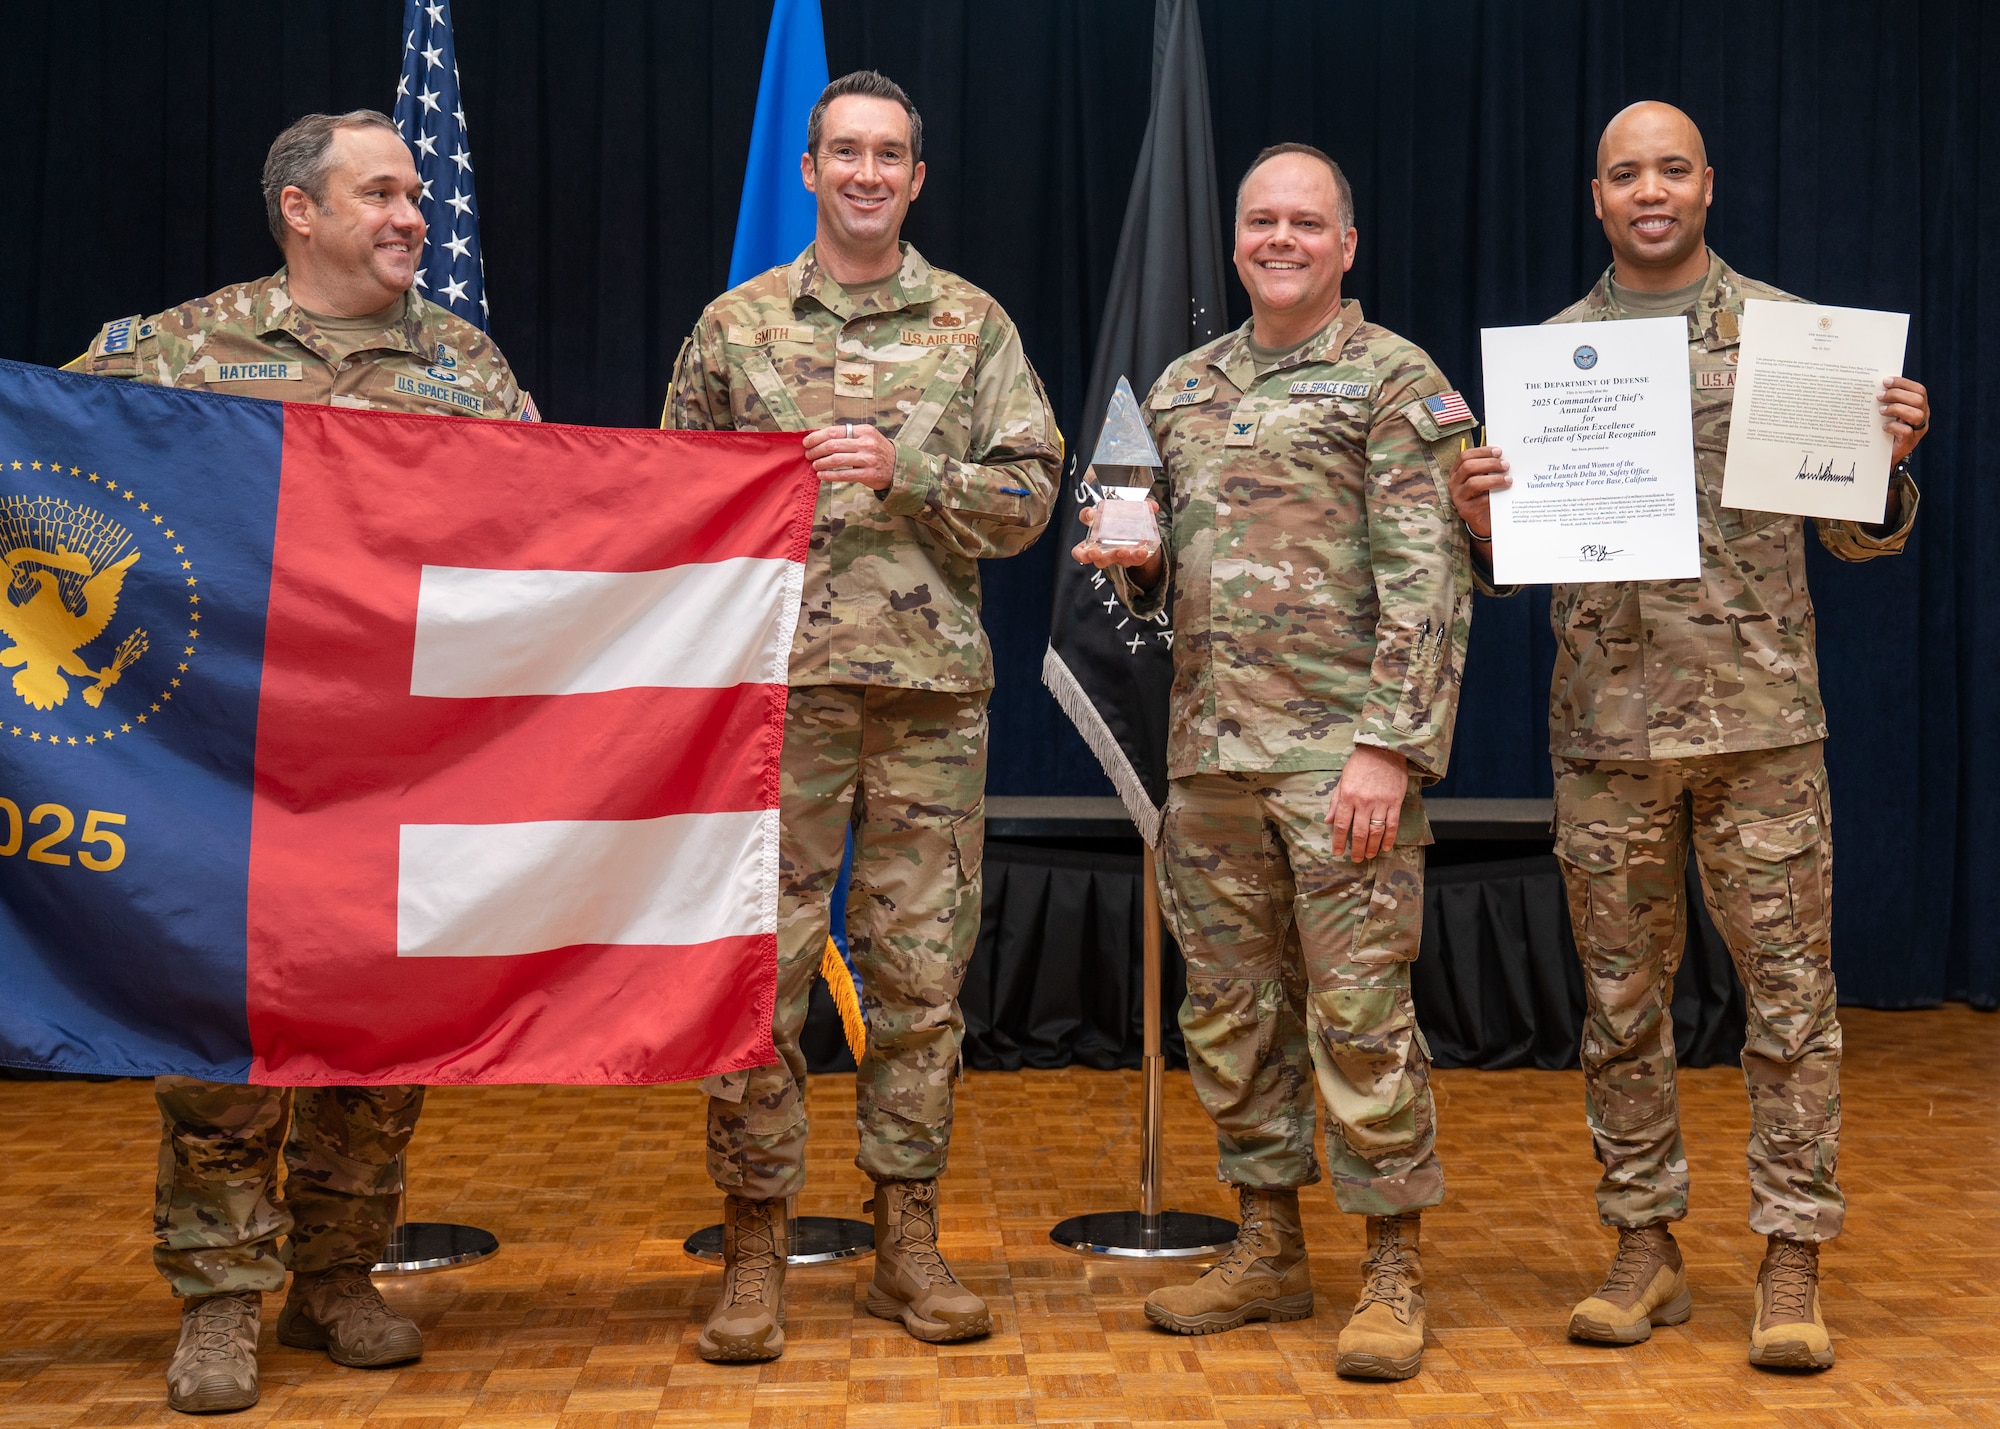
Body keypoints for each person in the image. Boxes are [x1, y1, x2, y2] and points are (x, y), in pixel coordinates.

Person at [1450, 101, 1929, 1371]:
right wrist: (1484, 522)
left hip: (1759, 731)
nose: (1648, 191)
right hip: (1605, 736)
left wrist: (1880, 460)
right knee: (1617, 1007)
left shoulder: (1792, 340)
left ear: (1706, 184)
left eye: (1670, 169)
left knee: (1790, 1004)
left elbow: (1856, 536)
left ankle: (1789, 1254)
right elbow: (1507, 567)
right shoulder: (1549, 363)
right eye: (1625, 174)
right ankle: (1641, 1243)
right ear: (1595, 198)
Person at [68, 109, 528, 1414]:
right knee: (225, 1038)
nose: (411, 216)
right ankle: (220, 1296)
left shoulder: (465, 366)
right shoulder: (177, 349)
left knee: (378, 1038)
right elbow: (43, 451)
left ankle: (335, 1275)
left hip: (400, 766)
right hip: (227, 766)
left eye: (416, 195)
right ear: (300, 210)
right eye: (379, 194)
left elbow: (552, 526)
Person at [665, 70, 1060, 1363]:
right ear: (809, 169)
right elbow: (670, 503)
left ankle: (906, 1240)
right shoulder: (735, 327)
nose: (867, 173)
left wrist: (914, 470)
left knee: (920, 982)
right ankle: (754, 1249)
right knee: (758, 976)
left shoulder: (972, 324)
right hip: (771, 706)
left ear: (917, 177)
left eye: (889, 154)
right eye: (845, 151)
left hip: (927, 705)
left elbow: (1031, 497)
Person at [1073, 143, 1476, 1380]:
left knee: (1358, 1017)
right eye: (1261, 221)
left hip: (1338, 761)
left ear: (1345, 244)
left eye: (1306, 222)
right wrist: (1136, 562)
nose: (1281, 239)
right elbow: (1159, 576)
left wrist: (1387, 749)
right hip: (1208, 756)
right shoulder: (1183, 389)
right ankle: (1266, 1245)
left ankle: (1391, 1266)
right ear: (1236, 240)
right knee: (1230, 1015)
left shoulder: (1394, 378)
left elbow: (1428, 581)